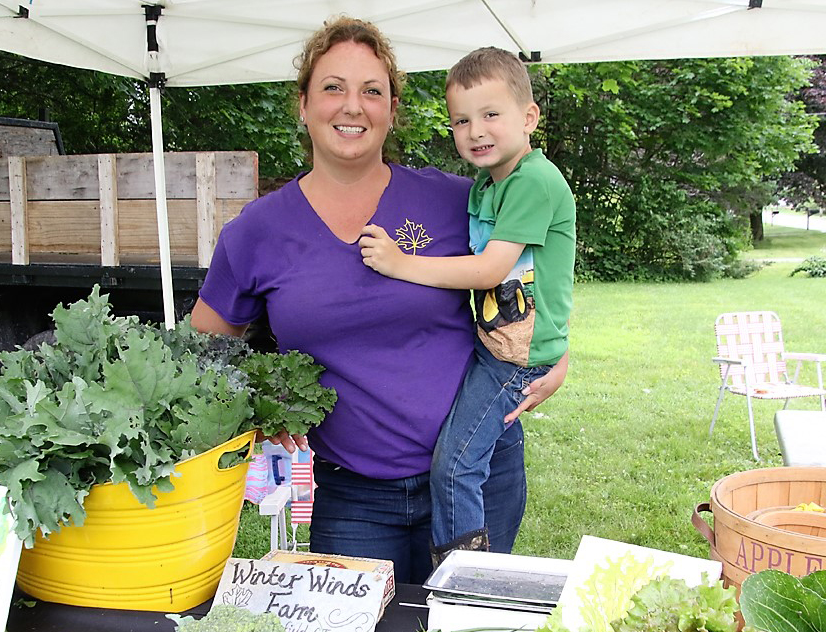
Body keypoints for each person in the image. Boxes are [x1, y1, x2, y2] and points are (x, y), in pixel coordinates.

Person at [190, 17, 566, 583]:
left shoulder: (454, 199)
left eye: (372, 91)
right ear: (303, 104)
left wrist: (557, 353)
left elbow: (541, 259)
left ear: (392, 109)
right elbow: (202, 349)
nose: (352, 106)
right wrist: (257, 409)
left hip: (480, 475)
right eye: (333, 87)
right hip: (354, 499)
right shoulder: (257, 231)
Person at [358, 46, 575, 563]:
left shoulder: (532, 181)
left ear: (529, 117)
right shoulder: (489, 184)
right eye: (461, 120)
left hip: (513, 359)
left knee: (457, 466)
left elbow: (489, 270)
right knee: (466, 453)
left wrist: (398, 262)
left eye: (490, 115)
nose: (475, 131)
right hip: (497, 344)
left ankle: (462, 575)